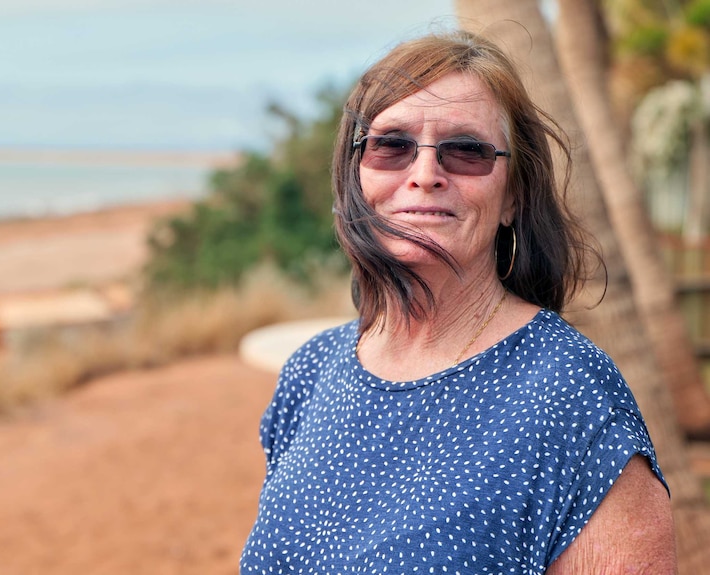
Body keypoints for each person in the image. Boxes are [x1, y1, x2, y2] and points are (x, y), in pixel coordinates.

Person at [239, 30, 676, 574]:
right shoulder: (311, 372)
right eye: (391, 145)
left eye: (466, 151)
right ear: (356, 173)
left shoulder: (571, 396)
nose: (424, 175)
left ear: (513, 196)